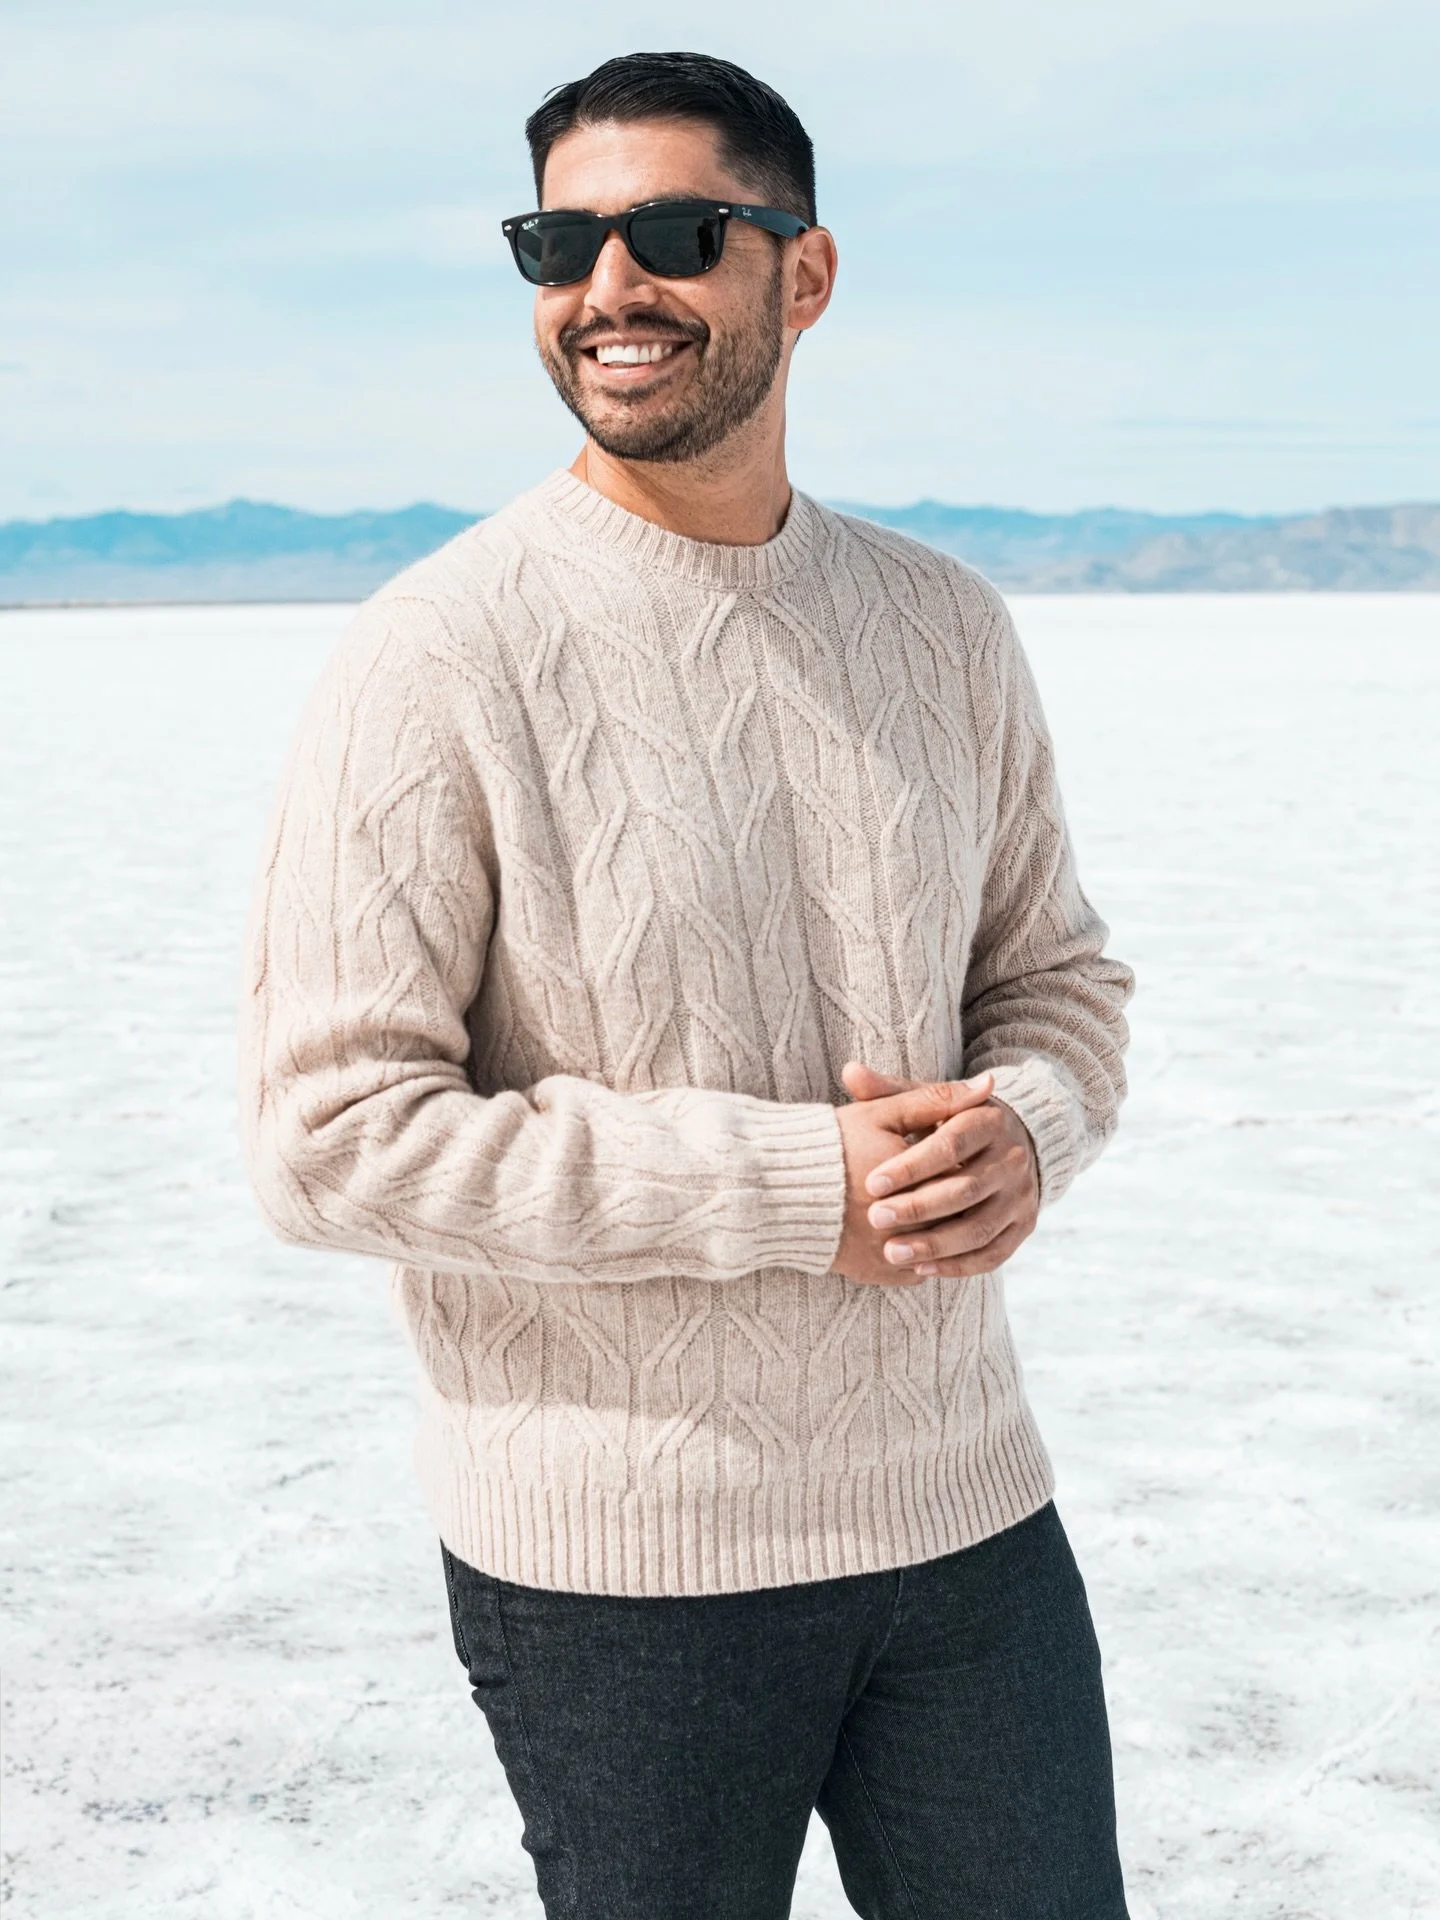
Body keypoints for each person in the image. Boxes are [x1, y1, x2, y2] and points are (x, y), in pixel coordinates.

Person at [241, 49, 1135, 1920]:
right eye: (562, 240)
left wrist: (1028, 1136)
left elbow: (1054, 982)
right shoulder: (439, 652)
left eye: (671, 232)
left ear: (801, 276)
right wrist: (809, 1193)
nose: (610, 287)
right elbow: (331, 1141)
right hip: (620, 1579)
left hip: (967, 1524)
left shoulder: (941, 626)